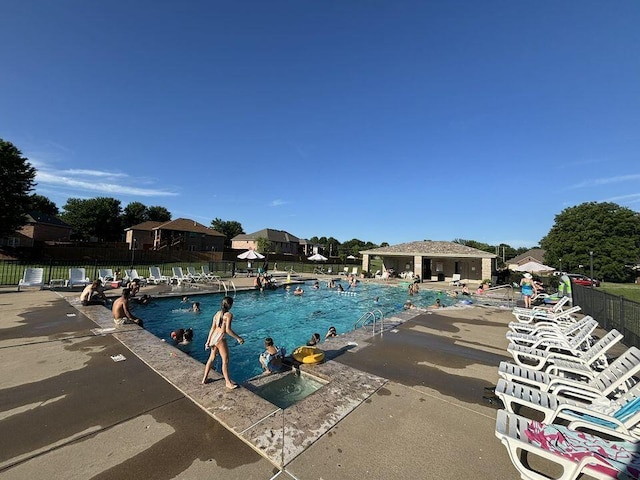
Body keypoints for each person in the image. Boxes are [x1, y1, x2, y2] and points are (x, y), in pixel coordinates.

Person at [202, 296, 244, 388]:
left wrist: (208, 341)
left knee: (211, 358)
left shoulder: (217, 314)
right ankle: (228, 383)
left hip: (214, 338)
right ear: (230, 305)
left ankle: (204, 378)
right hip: (220, 338)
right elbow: (228, 330)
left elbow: (212, 328)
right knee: (225, 361)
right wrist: (238, 338)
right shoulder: (228, 315)